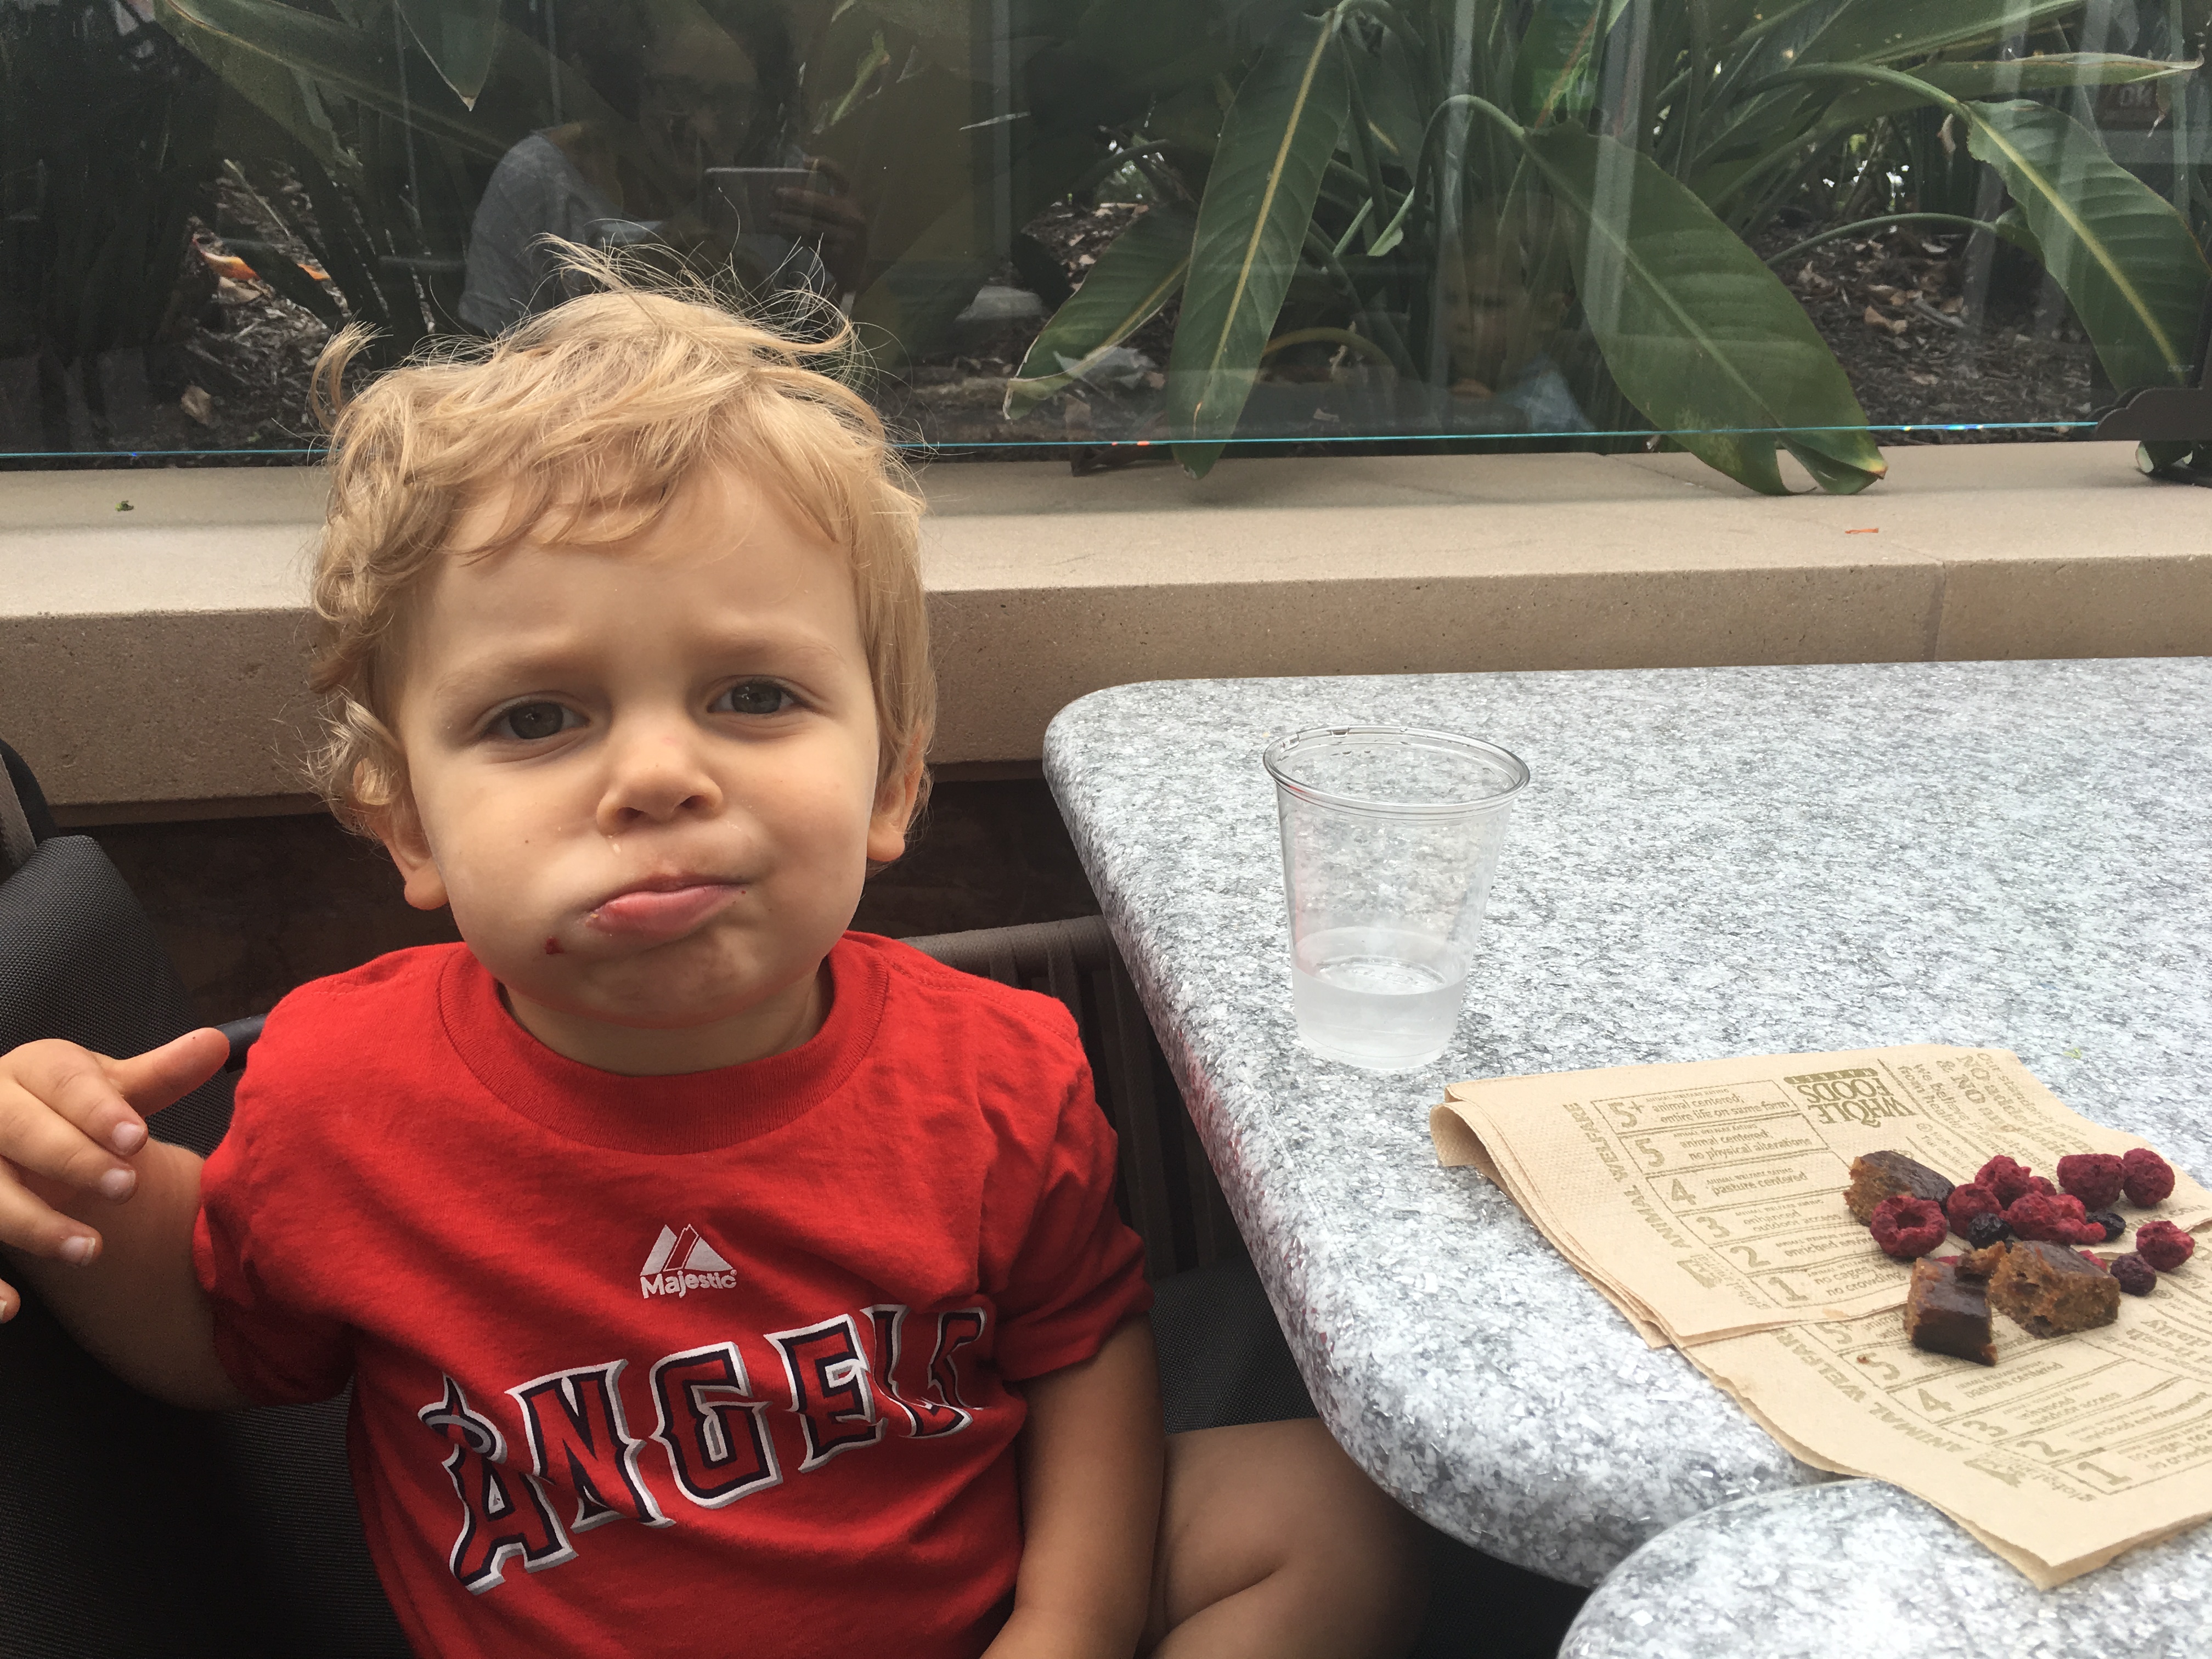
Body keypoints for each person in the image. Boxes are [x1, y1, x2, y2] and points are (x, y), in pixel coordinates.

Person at [0, 250, 1424, 1658]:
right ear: (410, 827)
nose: (657, 777)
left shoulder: (1000, 1069)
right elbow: (213, 1323)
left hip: (980, 1600)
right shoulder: (339, 1099)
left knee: (1332, 1512)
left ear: (890, 783)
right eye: (537, 719)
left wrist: (1066, 1628)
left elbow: (1081, 1348)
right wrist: (67, 1171)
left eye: (752, 696)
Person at [460, 0, 868, 332]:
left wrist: (849, 278)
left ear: (761, 104)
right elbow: (490, 365)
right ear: (627, 82)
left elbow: (819, 366)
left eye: (730, 100)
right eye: (679, 93)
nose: (704, 126)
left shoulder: (782, 188)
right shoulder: (541, 181)